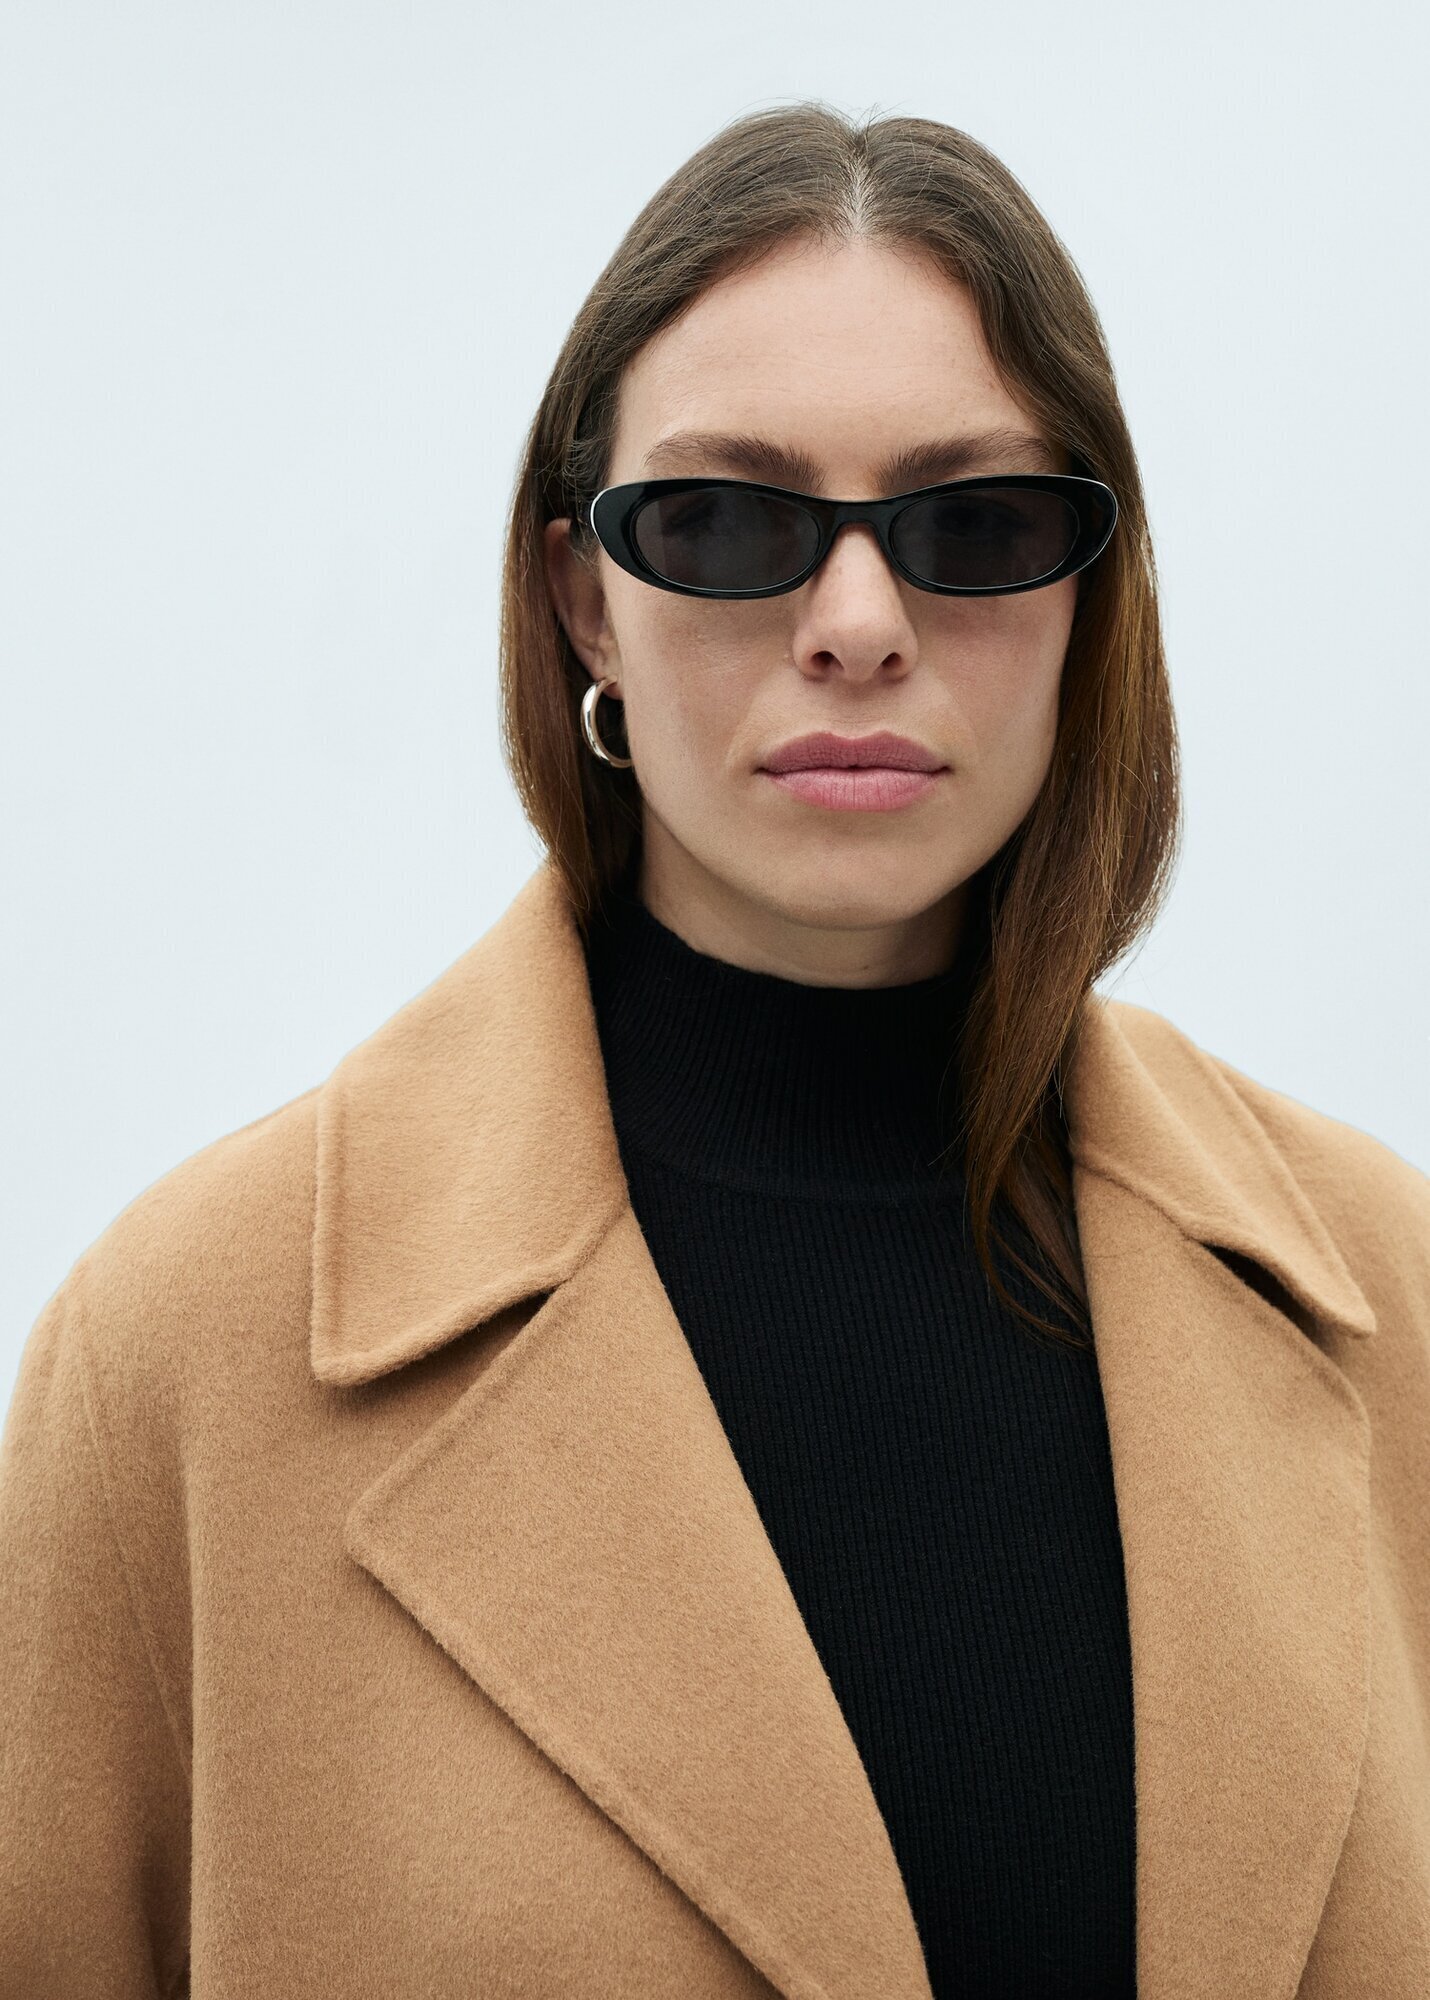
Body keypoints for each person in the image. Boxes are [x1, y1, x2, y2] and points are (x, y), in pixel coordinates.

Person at [2, 101, 1427, 2000]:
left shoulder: (1388, 1302)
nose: (856, 623)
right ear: (582, 596)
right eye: (726, 523)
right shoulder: (189, 1351)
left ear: (1088, 595)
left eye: (975, 524)